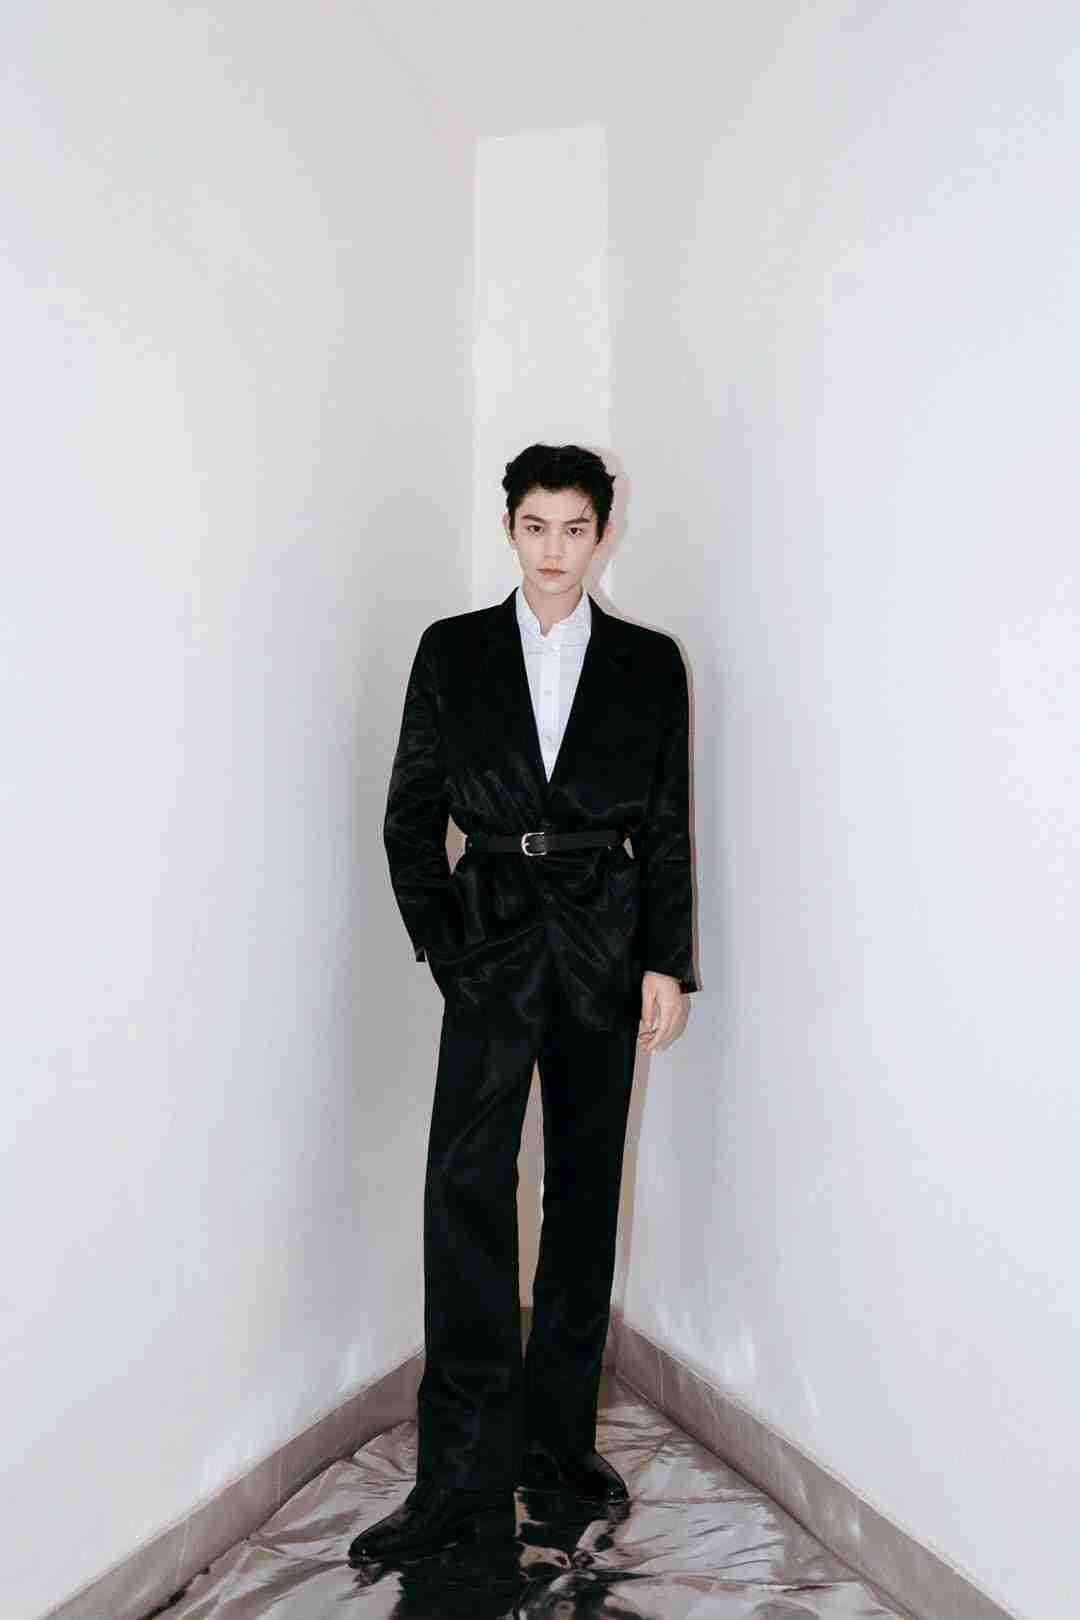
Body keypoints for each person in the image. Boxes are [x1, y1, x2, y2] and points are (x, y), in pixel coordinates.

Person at [348, 443, 698, 1565]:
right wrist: (447, 945)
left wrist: (664, 962)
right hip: (491, 940)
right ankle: (457, 1483)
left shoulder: (648, 664)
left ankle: (556, 1451)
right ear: (510, 529)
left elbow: (669, 825)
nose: (554, 551)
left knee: (585, 1196)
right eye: (536, 527)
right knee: (465, 1194)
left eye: (574, 529)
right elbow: (410, 814)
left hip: (605, 942)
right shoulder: (453, 651)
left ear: (604, 533)